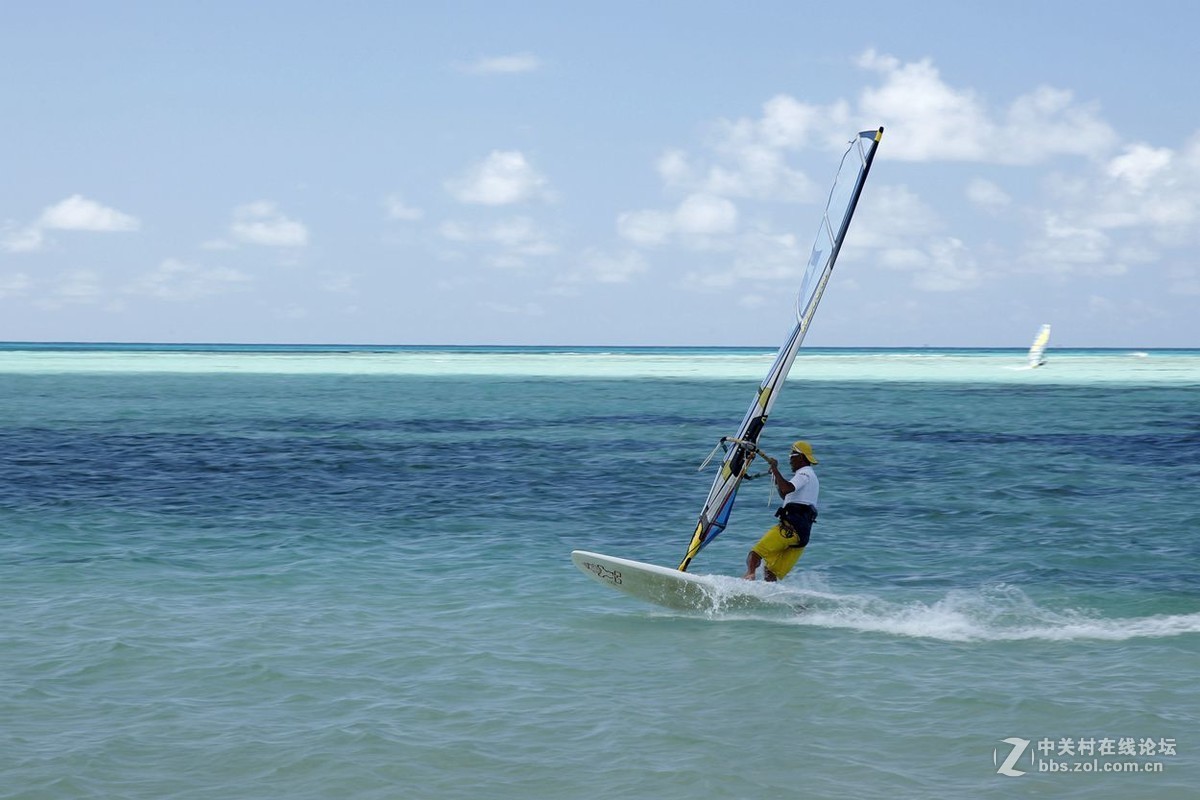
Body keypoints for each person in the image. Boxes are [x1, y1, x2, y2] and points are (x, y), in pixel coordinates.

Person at [742, 440, 820, 581]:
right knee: (771, 572)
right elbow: (785, 494)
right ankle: (769, 595)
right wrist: (776, 475)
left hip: (790, 529)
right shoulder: (811, 477)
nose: (790, 459)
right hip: (802, 536)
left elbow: (786, 488)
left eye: (792, 455)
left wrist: (775, 469)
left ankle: (749, 575)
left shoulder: (804, 474)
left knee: (755, 553)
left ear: (801, 457)